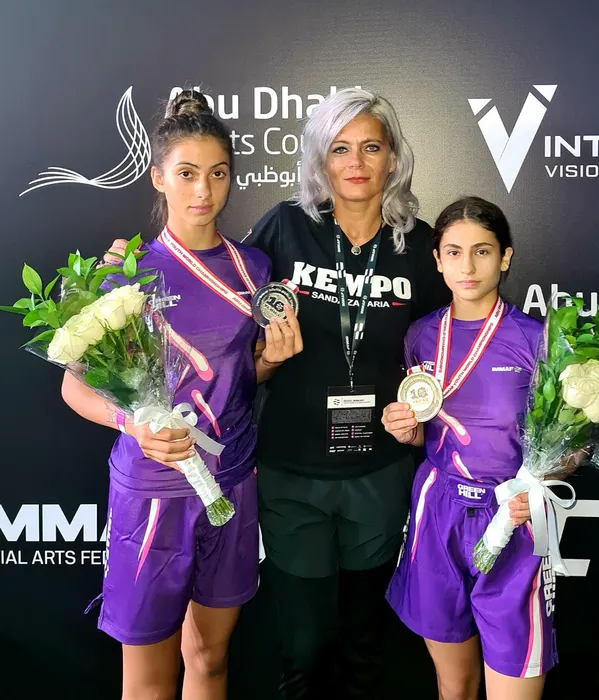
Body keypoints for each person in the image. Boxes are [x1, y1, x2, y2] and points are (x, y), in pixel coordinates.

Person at [106, 86, 450, 699]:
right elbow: (220, 306)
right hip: (293, 471)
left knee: (364, 640)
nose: (356, 162)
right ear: (320, 159)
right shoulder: (284, 230)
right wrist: (127, 272)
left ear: (393, 158)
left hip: (378, 469)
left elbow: (443, 351)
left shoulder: (420, 248)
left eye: (371, 147)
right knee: (304, 645)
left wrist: (423, 416)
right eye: (339, 148)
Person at [63, 89, 302, 700]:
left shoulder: (253, 269)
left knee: (211, 660)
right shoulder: (125, 275)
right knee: (148, 681)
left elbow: (243, 376)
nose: (204, 191)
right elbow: (74, 386)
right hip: (154, 489)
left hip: (232, 482)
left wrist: (269, 361)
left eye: (218, 174)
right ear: (158, 177)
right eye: (188, 173)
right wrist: (132, 424)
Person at [382, 196, 555, 700]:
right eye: (454, 252)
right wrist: (406, 430)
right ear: (437, 260)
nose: (468, 266)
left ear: (505, 257)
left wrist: (541, 483)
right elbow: (426, 432)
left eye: (482, 251)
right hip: (438, 514)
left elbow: (568, 445)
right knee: (453, 687)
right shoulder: (420, 335)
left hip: (513, 517)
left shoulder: (536, 339)